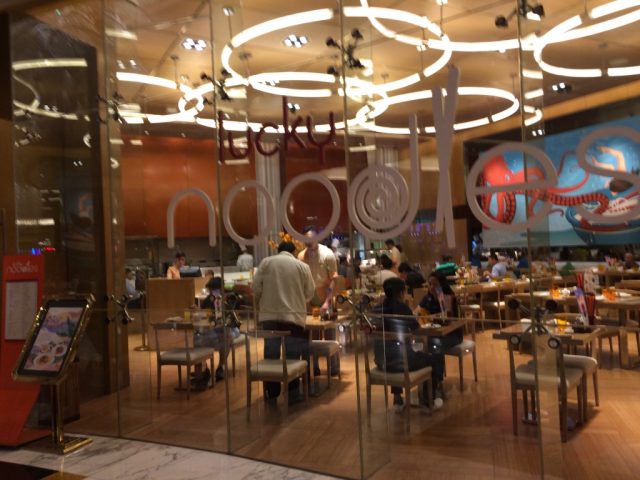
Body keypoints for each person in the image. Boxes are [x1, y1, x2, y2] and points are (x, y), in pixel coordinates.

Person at [253, 241, 315, 403]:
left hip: (269, 315)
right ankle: (293, 395)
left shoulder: (266, 263)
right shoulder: (302, 266)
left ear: (278, 250)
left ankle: (272, 394)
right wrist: (298, 299)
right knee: (292, 355)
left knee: (271, 356)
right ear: (294, 252)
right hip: (293, 317)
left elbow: (256, 288)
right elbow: (310, 292)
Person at [373, 277, 444, 412]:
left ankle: (398, 400)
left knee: (393, 350)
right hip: (400, 363)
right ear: (401, 292)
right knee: (433, 359)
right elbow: (417, 330)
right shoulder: (402, 308)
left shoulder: (377, 309)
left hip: (381, 360)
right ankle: (428, 402)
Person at [192, 276, 241, 384]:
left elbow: (231, 319)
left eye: (214, 289)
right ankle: (206, 368)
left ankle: (218, 367)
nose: (213, 292)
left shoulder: (226, 300)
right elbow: (204, 316)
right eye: (211, 290)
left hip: (225, 329)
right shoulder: (210, 300)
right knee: (199, 338)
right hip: (215, 330)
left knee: (225, 336)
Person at [414, 273, 463, 369]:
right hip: (434, 333)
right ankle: (425, 372)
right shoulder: (428, 298)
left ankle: (437, 374)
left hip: (452, 334)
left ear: (442, 284)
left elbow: (447, 319)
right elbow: (417, 312)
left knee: (435, 343)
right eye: (430, 284)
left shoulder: (447, 297)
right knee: (417, 343)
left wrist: (431, 318)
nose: (432, 287)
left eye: (435, 284)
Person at [298, 226, 338, 315]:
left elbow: (333, 279)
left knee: (327, 322)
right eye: (306, 239)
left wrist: (328, 301)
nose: (308, 241)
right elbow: (301, 281)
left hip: (325, 296)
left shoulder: (327, 253)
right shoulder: (301, 256)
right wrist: (305, 302)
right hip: (309, 299)